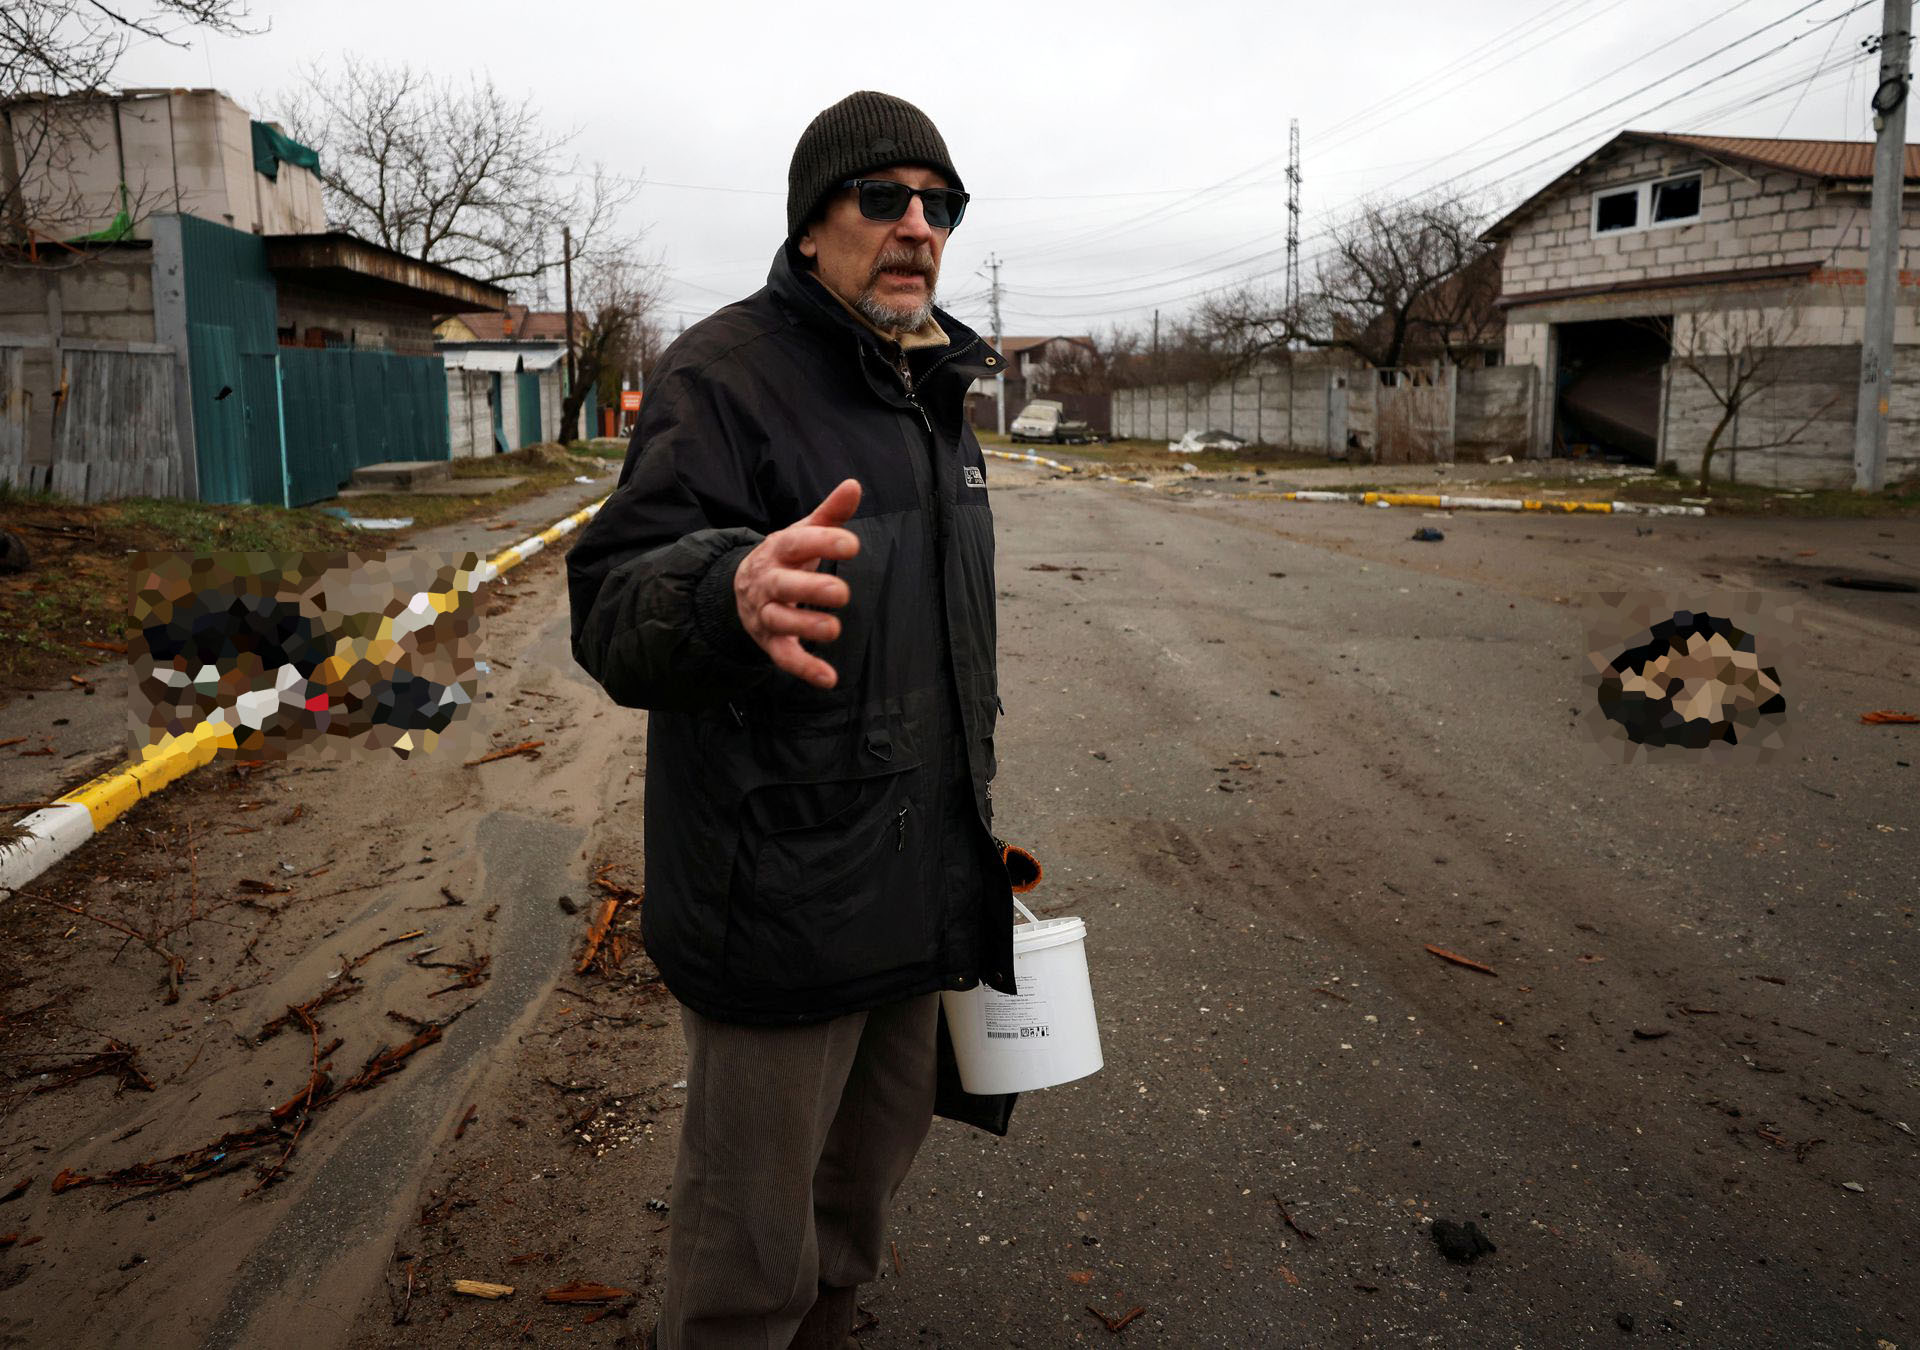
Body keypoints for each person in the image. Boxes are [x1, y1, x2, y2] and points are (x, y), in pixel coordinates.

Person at [567, 91, 1016, 1350]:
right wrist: (726, 592)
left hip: (916, 875)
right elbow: (610, 603)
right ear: (812, 226)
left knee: (859, 1194)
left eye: (941, 205)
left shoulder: (936, 387)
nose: (918, 226)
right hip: (780, 894)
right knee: (749, 1241)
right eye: (884, 198)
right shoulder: (724, 376)